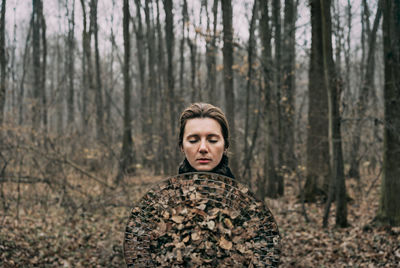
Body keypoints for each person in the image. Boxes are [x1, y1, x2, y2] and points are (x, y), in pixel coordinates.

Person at [178, 103, 235, 179]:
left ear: (225, 145)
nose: (203, 148)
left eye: (212, 140)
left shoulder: (240, 190)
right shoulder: (169, 190)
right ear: (182, 146)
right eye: (193, 140)